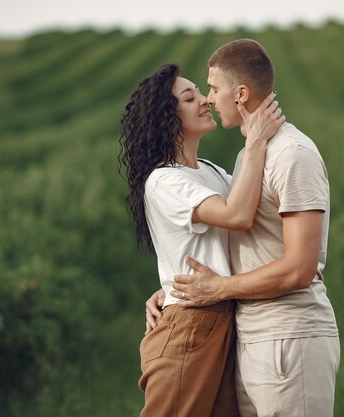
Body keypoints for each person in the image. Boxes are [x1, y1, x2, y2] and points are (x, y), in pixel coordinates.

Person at [145, 39, 340, 417]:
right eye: (196, 94)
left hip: (287, 335)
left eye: (212, 89)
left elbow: (300, 267)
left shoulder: (291, 154)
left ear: (242, 94)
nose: (207, 99)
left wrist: (218, 287)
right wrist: (170, 286)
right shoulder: (246, 156)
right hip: (250, 335)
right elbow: (230, 231)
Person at [119, 63, 284, 417]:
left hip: (222, 317)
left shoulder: (209, 172)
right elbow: (236, 216)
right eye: (190, 97)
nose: (205, 101)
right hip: (191, 326)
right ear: (168, 117)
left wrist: (167, 287)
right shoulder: (164, 181)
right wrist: (254, 140)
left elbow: (242, 217)